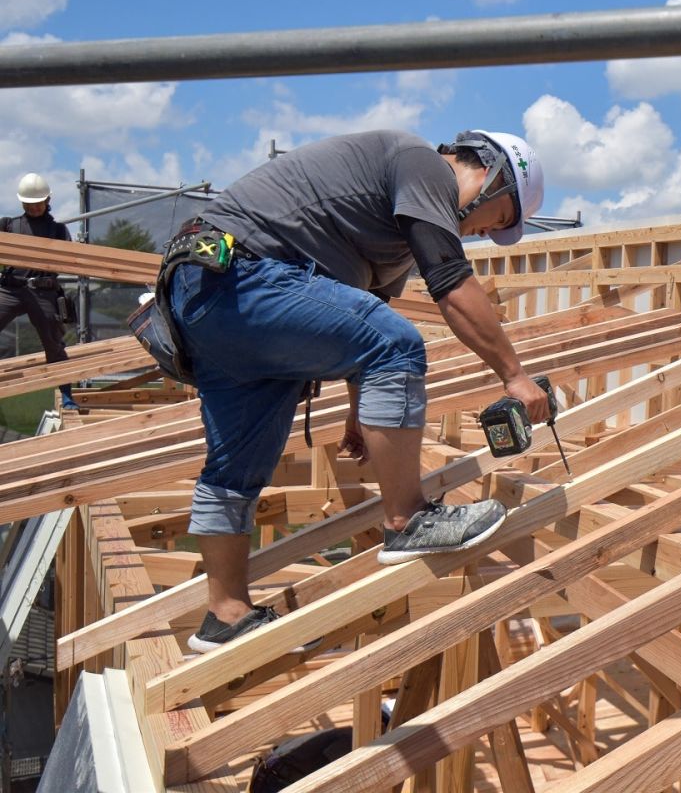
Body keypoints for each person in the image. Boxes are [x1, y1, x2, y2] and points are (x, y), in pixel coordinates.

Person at [166, 129, 550, 653]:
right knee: (400, 346)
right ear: (491, 174)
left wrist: (359, 408)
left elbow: (355, 316)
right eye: (499, 218)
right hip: (243, 272)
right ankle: (408, 519)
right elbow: (449, 281)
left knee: (236, 468)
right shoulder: (422, 166)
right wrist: (514, 374)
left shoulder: (393, 239)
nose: (485, 232)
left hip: (210, 298)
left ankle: (225, 613)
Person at [0, 173, 79, 409]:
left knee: (53, 342)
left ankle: (66, 394)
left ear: (47, 200)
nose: (34, 207)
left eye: (38, 203)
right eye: (29, 203)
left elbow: (69, 260)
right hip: (10, 288)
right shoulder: (7, 225)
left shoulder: (57, 230)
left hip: (43, 291)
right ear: (22, 203)